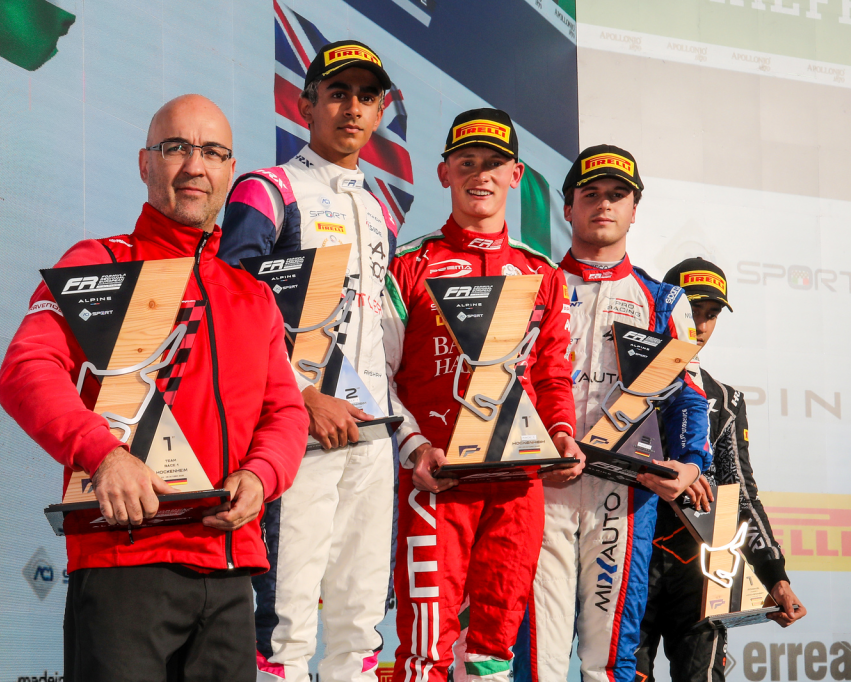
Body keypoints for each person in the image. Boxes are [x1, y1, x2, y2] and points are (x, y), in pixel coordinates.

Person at [0, 94, 309, 681]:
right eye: (176, 148)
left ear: (230, 171)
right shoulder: (100, 262)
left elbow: (287, 413)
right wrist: (104, 454)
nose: (195, 165)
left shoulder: (253, 296)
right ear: (145, 163)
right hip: (124, 560)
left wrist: (262, 476)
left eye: (212, 152)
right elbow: (26, 369)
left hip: (230, 569)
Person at [217, 40, 399, 682]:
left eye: (366, 97)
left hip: (372, 438)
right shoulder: (268, 189)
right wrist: (301, 397)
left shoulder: (380, 210)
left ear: (379, 113)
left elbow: (380, 335)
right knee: (286, 625)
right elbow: (229, 308)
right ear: (305, 105)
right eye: (337, 93)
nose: (352, 108)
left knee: (360, 624)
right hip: (299, 433)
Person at [383, 108, 585, 682]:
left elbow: (552, 374)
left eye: (494, 163)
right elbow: (380, 375)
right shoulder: (410, 265)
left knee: (495, 648)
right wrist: (414, 448)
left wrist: (562, 434)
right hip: (438, 480)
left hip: (518, 485)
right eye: (467, 162)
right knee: (425, 649)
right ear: (443, 172)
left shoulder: (540, 272)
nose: (481, 175)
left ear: (516, 175)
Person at [513, 145, 712, 682]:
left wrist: (690, 464)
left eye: (617, 195)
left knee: (610, 658)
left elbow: (688, 395)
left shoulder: (663, 300)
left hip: (622, 493)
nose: (604, 204)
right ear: (568, 208)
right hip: (544, 485)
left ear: (634, 209)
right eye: (591, 194)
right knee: (538, 655)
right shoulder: (533, 285)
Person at [634, 257, 807, 682]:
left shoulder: (725, 401)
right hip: (628, 556)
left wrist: (775, 576)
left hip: (702, 568)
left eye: (711, 315)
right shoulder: (622, 381)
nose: (701, 325)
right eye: (692, 310)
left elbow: (740, 493)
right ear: (665, 308)